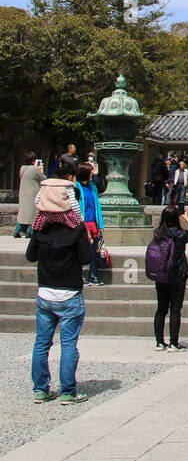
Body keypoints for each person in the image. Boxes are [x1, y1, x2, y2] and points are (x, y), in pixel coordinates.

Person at [26, 167, 91, 403]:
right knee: (68, 344)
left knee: (42, 343)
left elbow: (30, 256)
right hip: (69, 293)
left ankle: (41, 389)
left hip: (45, 292)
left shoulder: (40, 228)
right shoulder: (75, 229)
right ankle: (68, 391)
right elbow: (85, 258)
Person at [147, 206, 188, 351]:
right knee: (175, 309)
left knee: (161, 309)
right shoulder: (180, 234)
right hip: (177, 275)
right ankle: (173, 342)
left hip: (161, 275)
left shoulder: (158, 233)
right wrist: (187, 219)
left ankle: (159, 342)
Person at [74, 161, 104, 287]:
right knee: (80, 250)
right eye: (91, 172)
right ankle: (79, 276)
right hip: (82, 223)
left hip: (93, 223)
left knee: (94, 250)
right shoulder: (76, 188)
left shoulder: (93, 187)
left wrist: (100, 224)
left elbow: (97, 206)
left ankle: (93, 275)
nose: (93, 174)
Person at [15, 153, 45, 238]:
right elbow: (43, 178)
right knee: (32, 213)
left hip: (23, 192)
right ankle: (29, 231)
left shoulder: (22, 168)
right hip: (32, 193)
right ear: (33, 161)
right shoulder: (34, 169)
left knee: (22, 212)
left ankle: (17, 230)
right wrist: (40, 170)